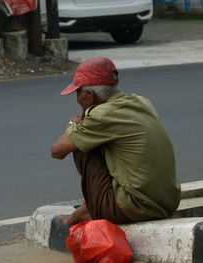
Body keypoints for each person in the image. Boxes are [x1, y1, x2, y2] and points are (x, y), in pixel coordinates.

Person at [51, 56, 181, 226]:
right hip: (168, 203)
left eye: (77, 93)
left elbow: (58, 151)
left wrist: (73, 124)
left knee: (82, 146)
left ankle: (91, 208)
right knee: (96, 141)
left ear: (89, 95)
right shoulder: (142, 102)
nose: (77, 99)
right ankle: (90, 206)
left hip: (136, 208)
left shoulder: (101, 114)